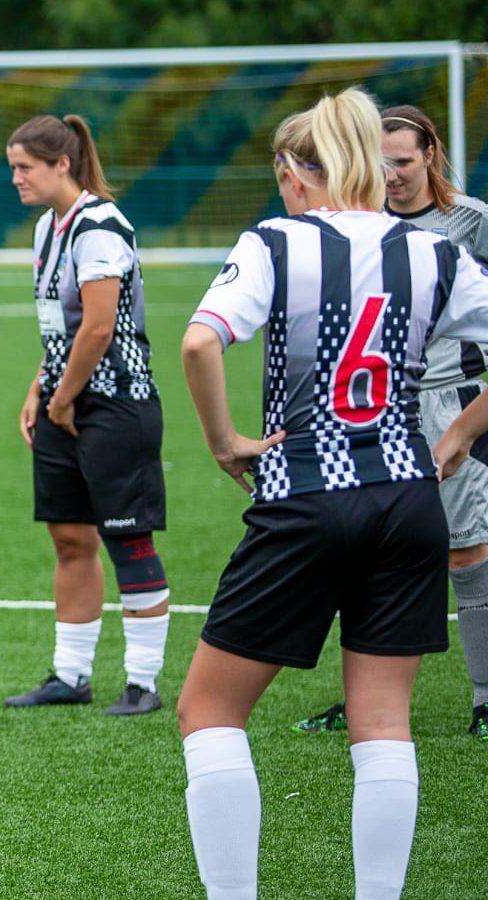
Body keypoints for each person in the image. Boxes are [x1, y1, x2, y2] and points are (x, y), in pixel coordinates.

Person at [177, 87, 488, 900]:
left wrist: (223, 441)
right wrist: (454, 439)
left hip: (307, 496)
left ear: (295, 170)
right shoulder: (433, 251)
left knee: (208, 712)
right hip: (408, 498)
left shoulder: (278, 241)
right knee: (382, 724)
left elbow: (200, 342)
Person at [291, 103, 488, 741]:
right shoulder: (356, 224)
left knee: (467, 551)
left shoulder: (470, 223)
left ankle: (485, 700)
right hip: (367, 408)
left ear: (430, 153)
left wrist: (462, 431)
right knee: (366, 552)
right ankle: (364, 700)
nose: (392, 174)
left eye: (402, 161)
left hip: (449, 400)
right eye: (380, 163)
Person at [5, 114, 171, 716]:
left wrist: (63, 396)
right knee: (69, 537)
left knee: (128, 540)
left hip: (115, 406)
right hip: (64, 399)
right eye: (13, 168)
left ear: (61, 165)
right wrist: (39, 389)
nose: (15, 179)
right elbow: (63, 330)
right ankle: (70, 675)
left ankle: (144, 682)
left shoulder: (100, 225)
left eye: (24, 168)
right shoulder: (47, 227)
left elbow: (100, 327)